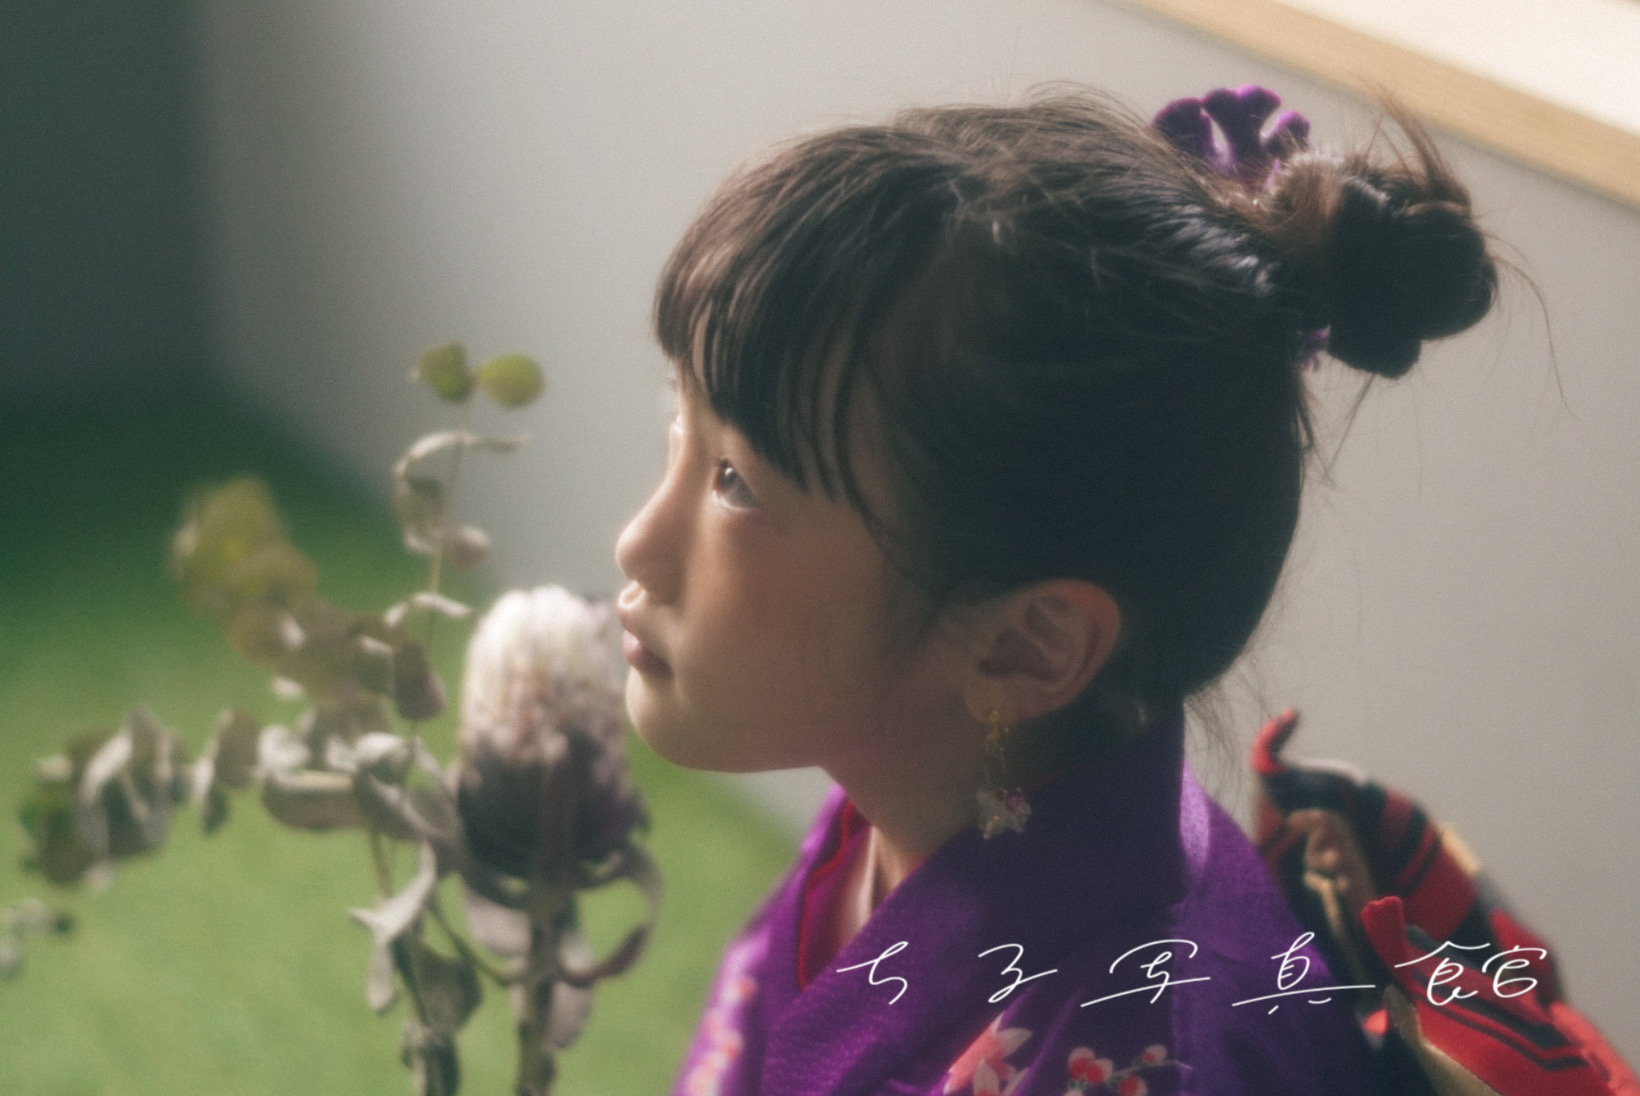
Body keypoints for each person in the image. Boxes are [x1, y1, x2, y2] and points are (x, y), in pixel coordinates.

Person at [613, 85, 1498, 1096]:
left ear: (1023, 646)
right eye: (681, 433)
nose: (637, 545)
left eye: (735, 482)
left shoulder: (1137, 1057)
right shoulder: (913, 793)